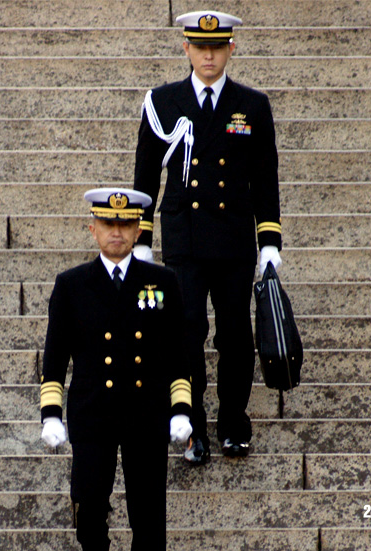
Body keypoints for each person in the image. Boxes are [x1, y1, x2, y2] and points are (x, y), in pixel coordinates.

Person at [39, 187, 193, 551]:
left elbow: (179, 355)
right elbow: (54, 357)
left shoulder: (162, 282)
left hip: (145, 413)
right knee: (88, 500)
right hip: (93, 414)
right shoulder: (71, 285)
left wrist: (181, 407)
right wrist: (51, 413)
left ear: (140, 229)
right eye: (109, 224)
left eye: (127, 225)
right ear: (93, 229)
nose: (118, 232)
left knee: (148, 515)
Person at [133, 10, 283, 464]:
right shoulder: (163, 102)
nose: (209, 55)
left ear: (231, 49)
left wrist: (270, 243)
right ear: (186, 49)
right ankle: (193, 426)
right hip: (185, 239)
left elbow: (265, 180)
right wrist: (142, 239)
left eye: (217, 47)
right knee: (187, 332)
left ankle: (234, 423)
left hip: (235, 240)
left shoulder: (252, 106)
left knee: (236, 336)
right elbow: (144, 175)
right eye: (200, 47)